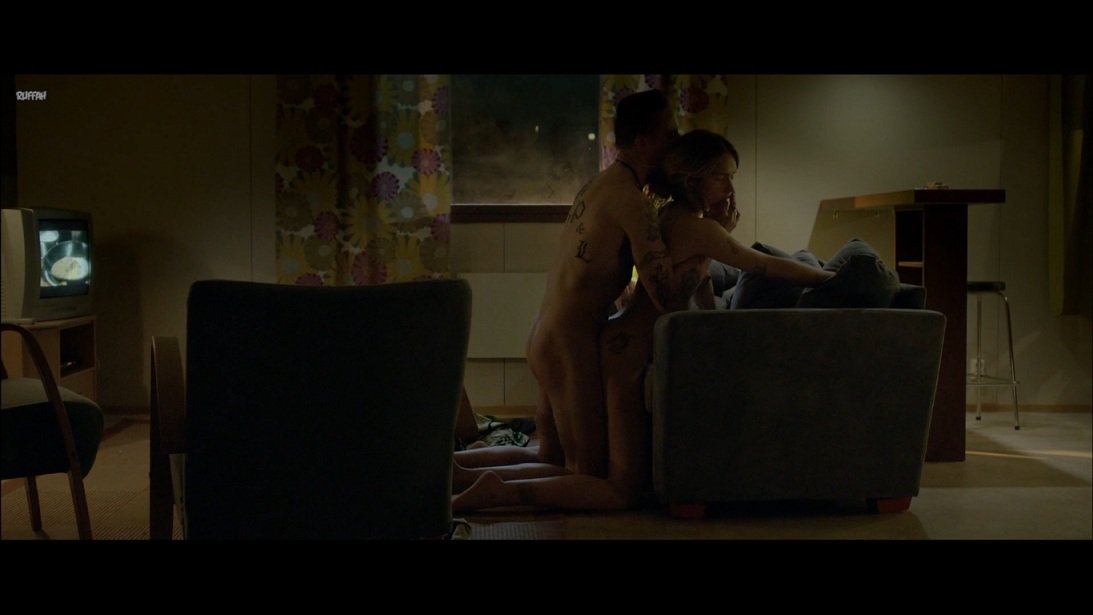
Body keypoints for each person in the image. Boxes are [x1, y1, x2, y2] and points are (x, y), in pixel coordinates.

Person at [452, 129, 834, 510]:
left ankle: (463, 473)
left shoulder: (667, 217)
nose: (731, 189)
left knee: (559, 458)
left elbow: (701, 296)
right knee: (619, 490)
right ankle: (498, 492)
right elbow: (762, 264)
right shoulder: (699, 229)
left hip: (616, 344)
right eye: (722, 177)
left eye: (732, 178)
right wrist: (828, 276)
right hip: (627, 357)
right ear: (693, 180)